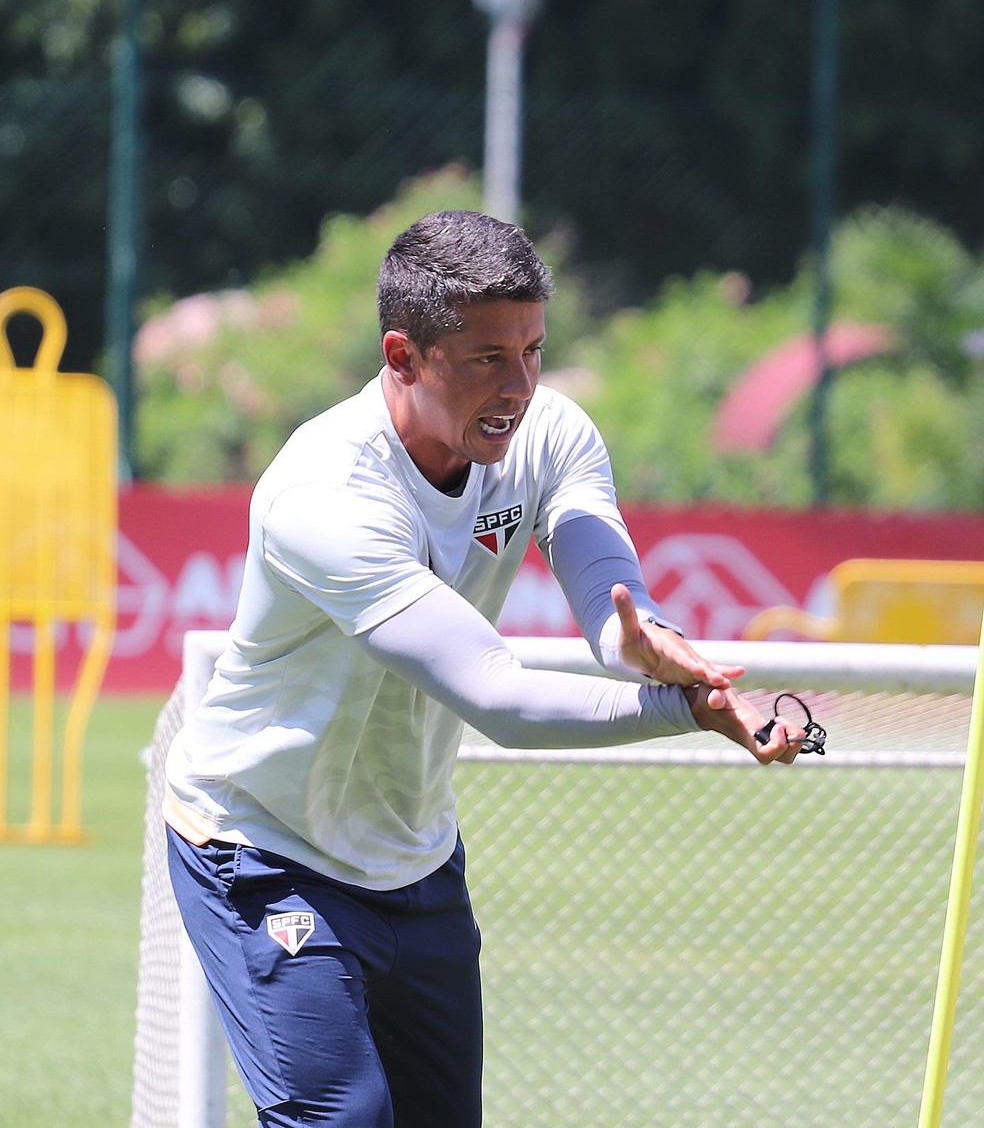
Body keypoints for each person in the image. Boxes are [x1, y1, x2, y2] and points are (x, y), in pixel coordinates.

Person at [164, 209, 806, 1128]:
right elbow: (499, 700)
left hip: (414, 860)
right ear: (403, 355)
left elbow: (611, 604)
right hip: (262, 845)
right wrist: (684, 712)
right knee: (343, 1119)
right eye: (486, 360)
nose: (520, 386)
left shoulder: (551, 435)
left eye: (534, 351)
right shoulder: (327, 492)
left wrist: (653, 644)